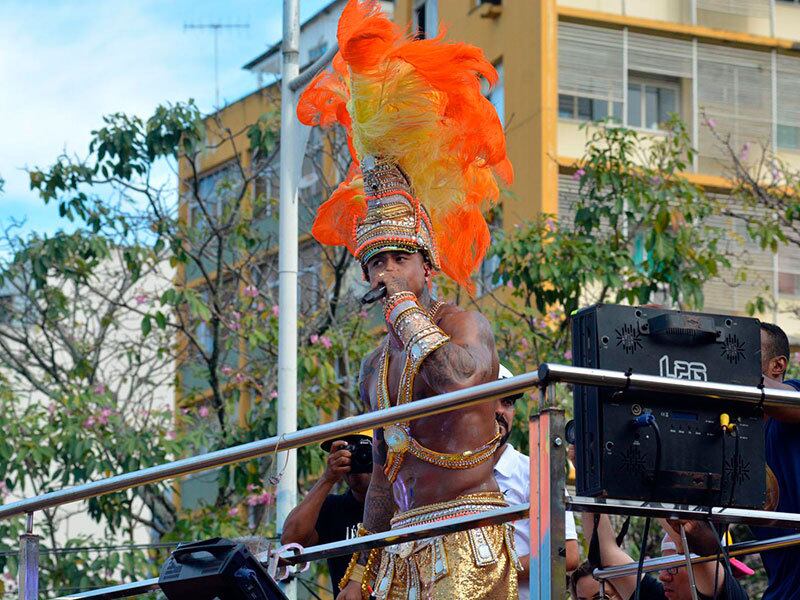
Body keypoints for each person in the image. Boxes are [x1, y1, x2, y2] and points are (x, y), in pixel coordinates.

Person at [297, 2, 517, 598]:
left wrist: (404, 311)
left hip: (465, 535)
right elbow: (380, 478)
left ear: (428, 263)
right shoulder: (374, 367)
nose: (386, 271)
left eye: (398, 258)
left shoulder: (467, 324)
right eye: (375, 262)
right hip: (398, 547)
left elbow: (454, 382)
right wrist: (361, 567)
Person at [493, 365, 580, 600]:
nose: (500, 411)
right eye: (491, 400)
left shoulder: (532, 472)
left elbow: (567, 554)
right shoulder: (450, 477)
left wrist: (492, 574)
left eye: (508, 402)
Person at [573, 512, 748, 600]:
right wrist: (588, 469)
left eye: (673, 566)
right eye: (661, 566)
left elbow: (691, 541)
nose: (663, 576)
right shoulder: (659, 597)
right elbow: (604, 554)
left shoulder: (728, 595)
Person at [281, 434, 372, 597]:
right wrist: (327, 479)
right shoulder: (333, 507)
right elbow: (291, 542)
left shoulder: (404, 502)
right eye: (347, 453)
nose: (354, 460)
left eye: (364, 451)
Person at [753, 322, 800, 599]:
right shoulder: (730, 438)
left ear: (777, 366)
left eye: (743, 348)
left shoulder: (793, 395)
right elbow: (711, 544)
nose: (730, 354)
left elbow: (787, 402)